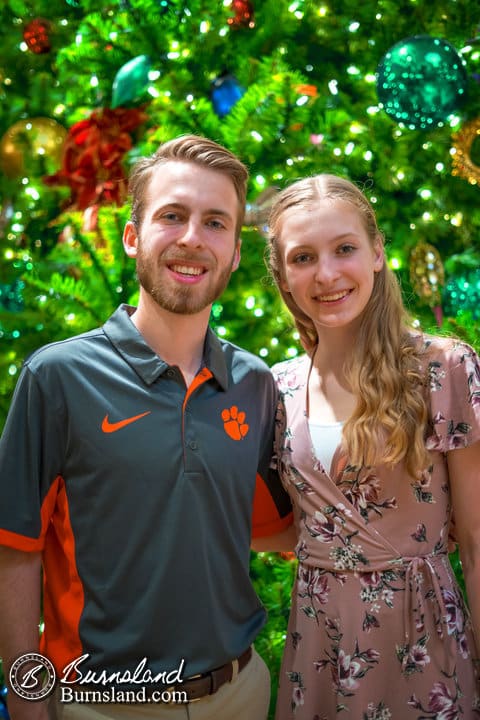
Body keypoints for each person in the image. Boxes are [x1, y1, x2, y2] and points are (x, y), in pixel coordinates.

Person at [0, 134, 293, 720]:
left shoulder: (255, 384)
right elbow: (15, 553)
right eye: (172, 216)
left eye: (215, 223)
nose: (192, 238)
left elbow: (272, 531)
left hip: (238, 694)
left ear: (235, 251)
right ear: (133, 236)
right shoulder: (57, 377)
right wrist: (28, 704)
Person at [265, 173, 480, 719]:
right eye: (303, 257)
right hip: (316, 644)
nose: (327, 274)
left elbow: (478, 544)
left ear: (378, 253)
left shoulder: (442, 368)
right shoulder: (277, 386)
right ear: (283, 276)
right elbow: (288, 525)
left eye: (344, 249)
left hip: (421, 642)